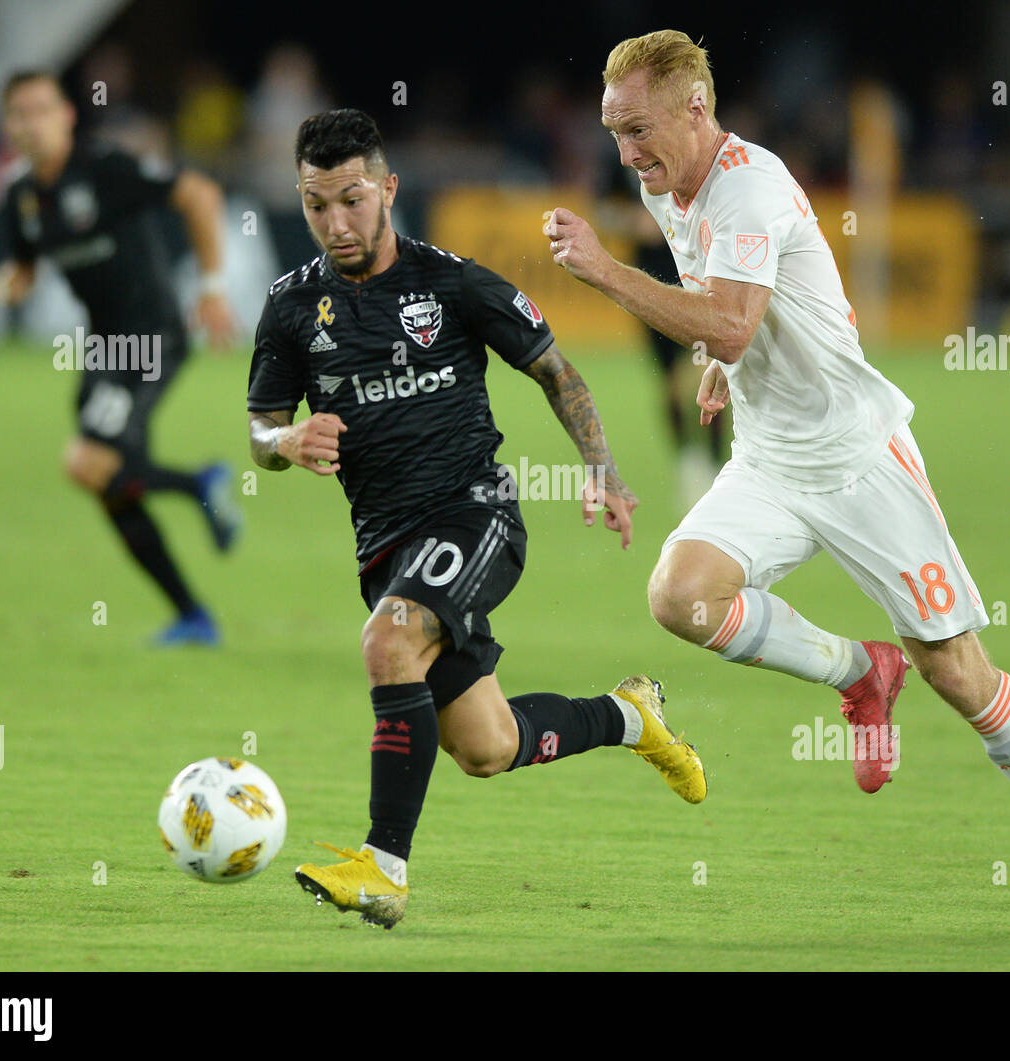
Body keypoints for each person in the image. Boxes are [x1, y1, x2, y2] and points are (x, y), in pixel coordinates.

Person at [542, 30, 1010, 913]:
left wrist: (604, 271)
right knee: (680, 594)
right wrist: (721, 364)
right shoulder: (671, 180)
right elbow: (746, 310)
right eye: (613, 131)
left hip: (857, 459)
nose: (625, 151)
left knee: (959, 671)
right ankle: (858, 672)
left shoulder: (749, 186)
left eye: (637, 129)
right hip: (772, 458)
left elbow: (733, 319)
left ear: (695, 108)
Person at [246, 109, 706, 929]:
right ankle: (632, 715)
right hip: (385, 546)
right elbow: (259, 435)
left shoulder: (453, 283)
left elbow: (558, 373)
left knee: (388, 642)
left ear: (388, 189)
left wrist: (602, 469)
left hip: (475, 516)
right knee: (487, 747)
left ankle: (383, 868)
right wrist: (285, 437)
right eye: (317, 206)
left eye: (352, 199)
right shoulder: (289, 308)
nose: (336, 223)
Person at [0, 70, 242, 645]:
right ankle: (193, 616)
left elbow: (200, 194)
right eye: (18, 113)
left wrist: (212, 286)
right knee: (109, 483)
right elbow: (23, 274)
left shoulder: (106, 168)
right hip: (106, 349)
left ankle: (199, 485)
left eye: (41, 109)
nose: (30, 123)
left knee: (85, 461)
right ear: (9, 127)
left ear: (67, 114)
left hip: (152, 337)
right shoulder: (23, 197)